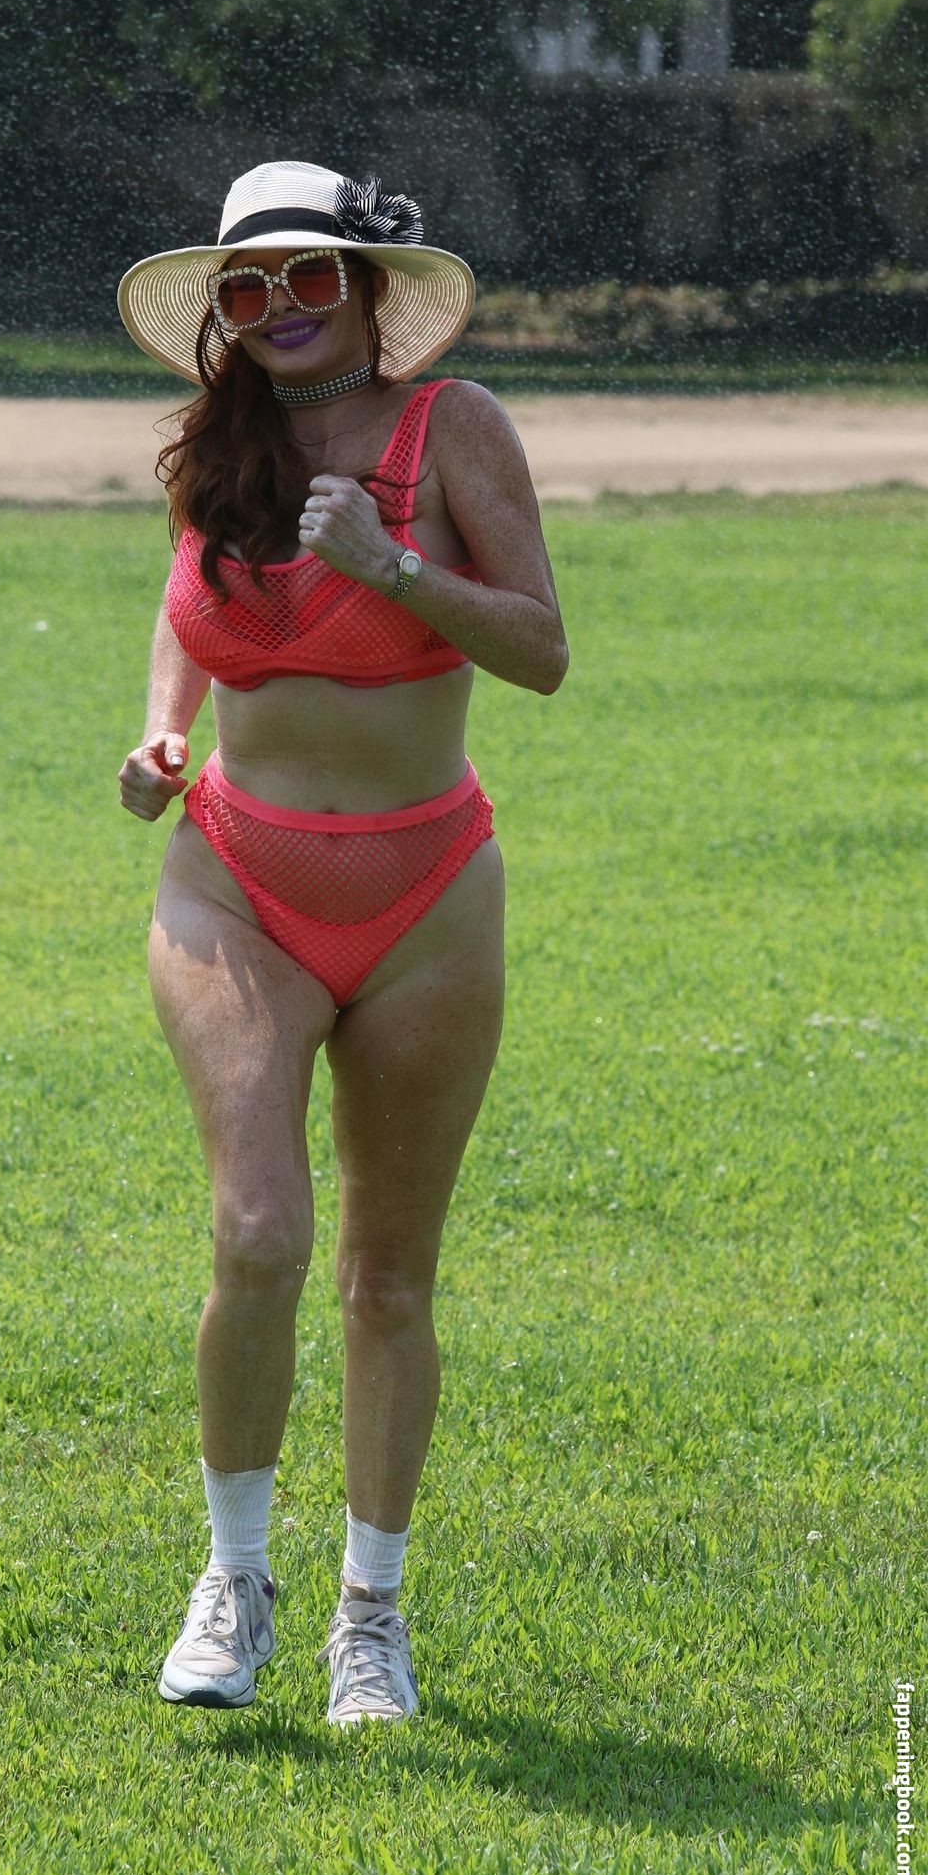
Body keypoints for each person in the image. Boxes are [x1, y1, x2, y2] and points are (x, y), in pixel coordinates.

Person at [116, 160, 567, 1726]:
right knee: (258, 1234)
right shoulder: (220, 445)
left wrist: (395, 569)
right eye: (250, 288)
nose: (282, 309)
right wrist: (162, 733)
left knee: (387, 1281)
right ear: (225, 314)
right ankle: (234, 1582)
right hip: (236, 877)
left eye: (313, 277)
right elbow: (185, 599)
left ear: (373, 291)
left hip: (427, 890)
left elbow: (543, 651)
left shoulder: (458, 430)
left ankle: (369, 1617)